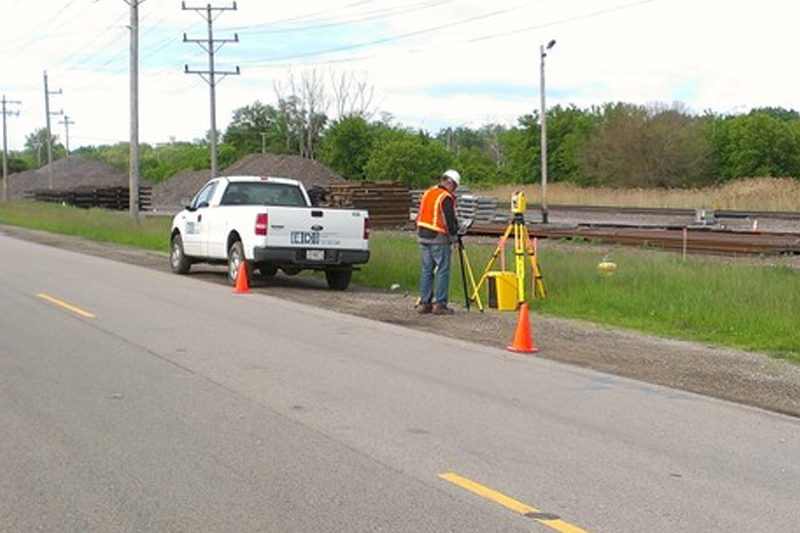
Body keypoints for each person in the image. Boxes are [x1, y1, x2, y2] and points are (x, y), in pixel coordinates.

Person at [415, 169, 461, 315]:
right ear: (451, 184)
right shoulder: (445, 197)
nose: (454, 190)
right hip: (438, 237)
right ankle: (440, 304)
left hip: (423, 234)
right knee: (443, 270)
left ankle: (425, 303)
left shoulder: (428, 192)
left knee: (427, 270)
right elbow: (448, 220)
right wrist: (455, 237)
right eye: (454, 186)